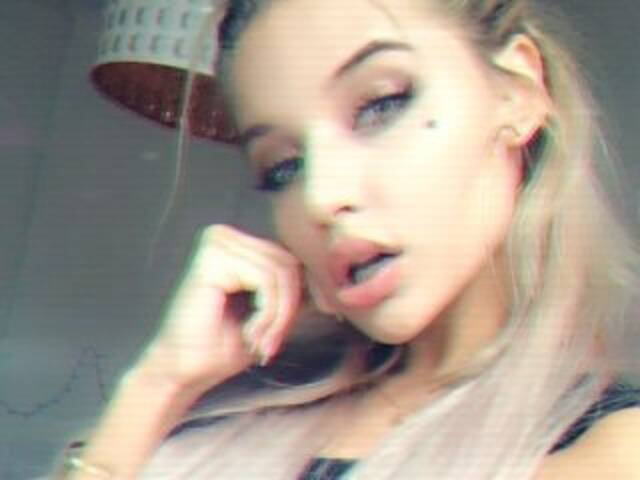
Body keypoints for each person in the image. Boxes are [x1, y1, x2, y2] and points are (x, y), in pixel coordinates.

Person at [53, 0, 640, 478]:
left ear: (517, 92)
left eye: (381, 106)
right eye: (282, 167)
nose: (319, 198)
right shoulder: (233, 420)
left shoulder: (611, 448)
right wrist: (159, 385)